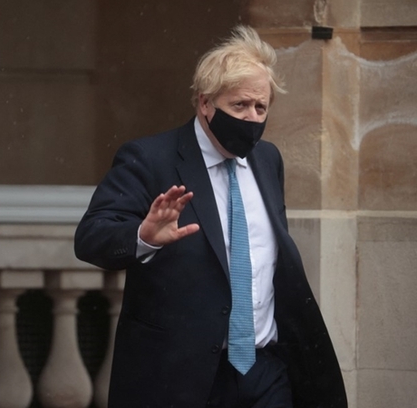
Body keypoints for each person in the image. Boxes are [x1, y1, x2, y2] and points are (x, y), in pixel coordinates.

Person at [74, 26, 347, 407]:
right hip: (183, 377)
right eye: (239, 106)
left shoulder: (267, 160)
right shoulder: (150, 159)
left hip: (266, 370)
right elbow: (90, 237)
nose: (251, 118)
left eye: (261, 107)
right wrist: (143, 237)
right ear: (205, 103)